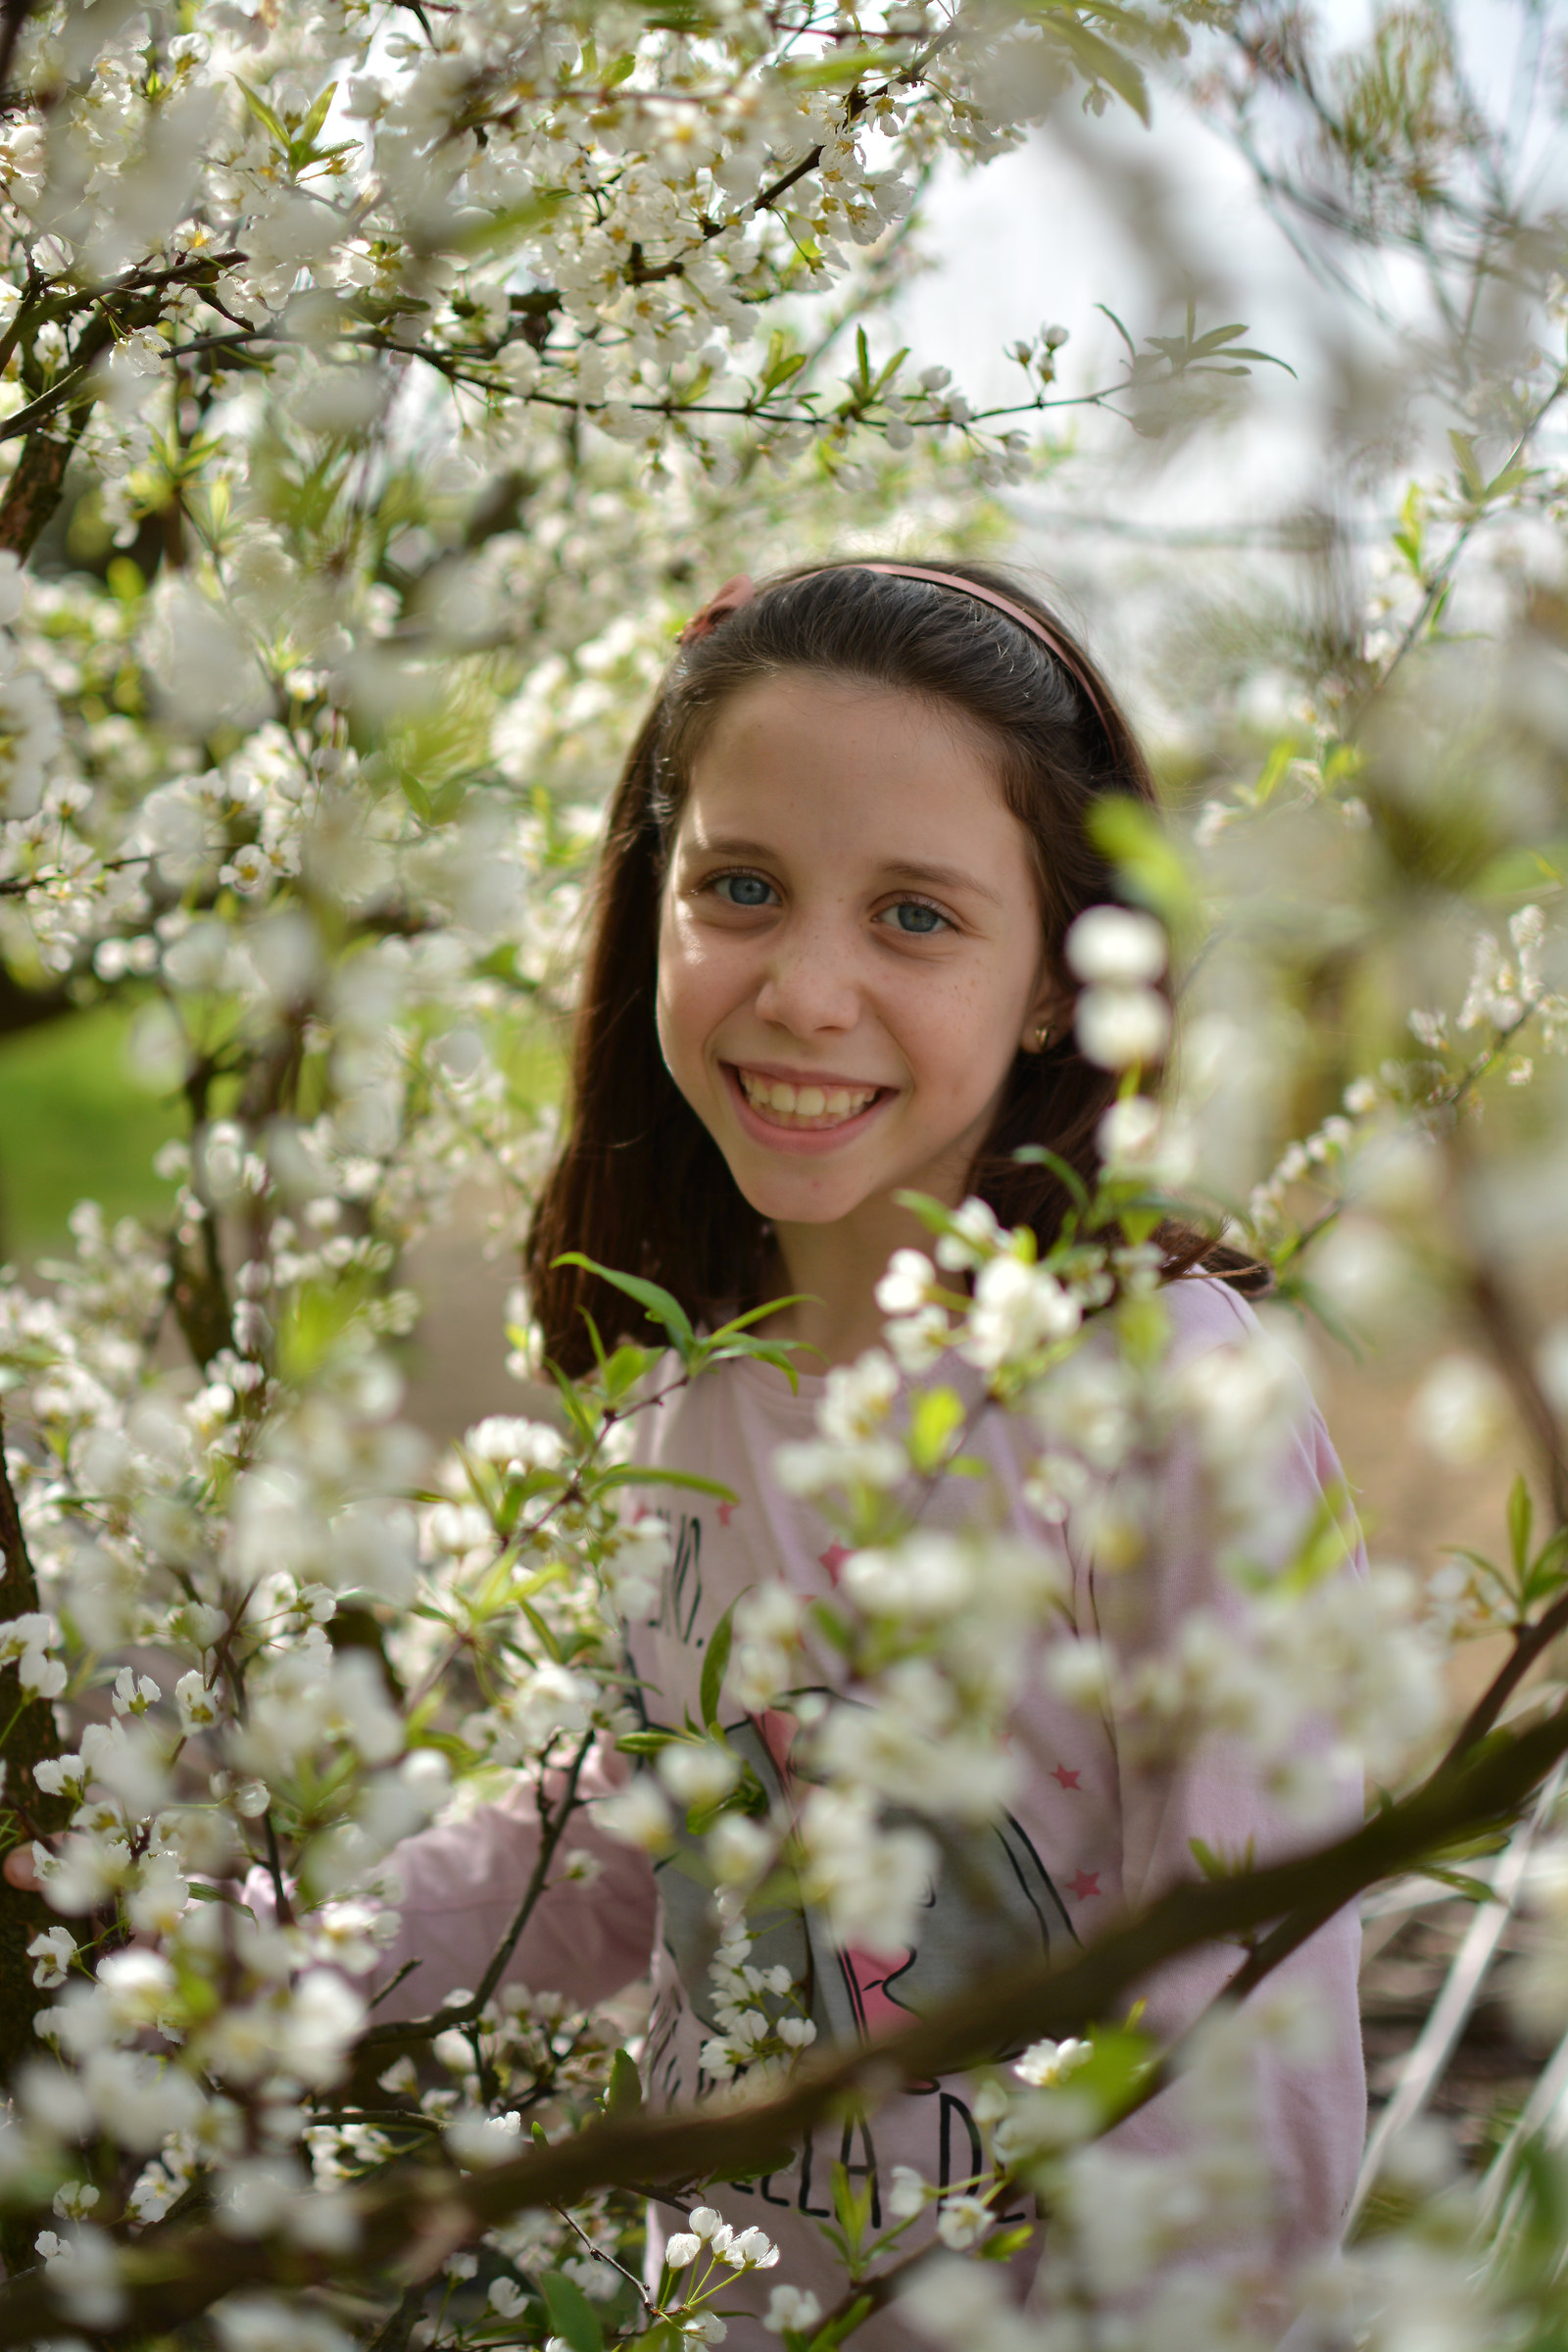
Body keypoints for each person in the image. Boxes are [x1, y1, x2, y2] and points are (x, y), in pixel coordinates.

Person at [371, 562, 1367, 2342]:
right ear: (652, 909)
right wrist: (263, 1972)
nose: (806, 991)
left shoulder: (1156, 1394)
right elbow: (652, 1819)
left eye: (916, 916)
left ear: (1066, 979)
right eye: (741, 889)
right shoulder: (682, 1382)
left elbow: (1247, 1994)